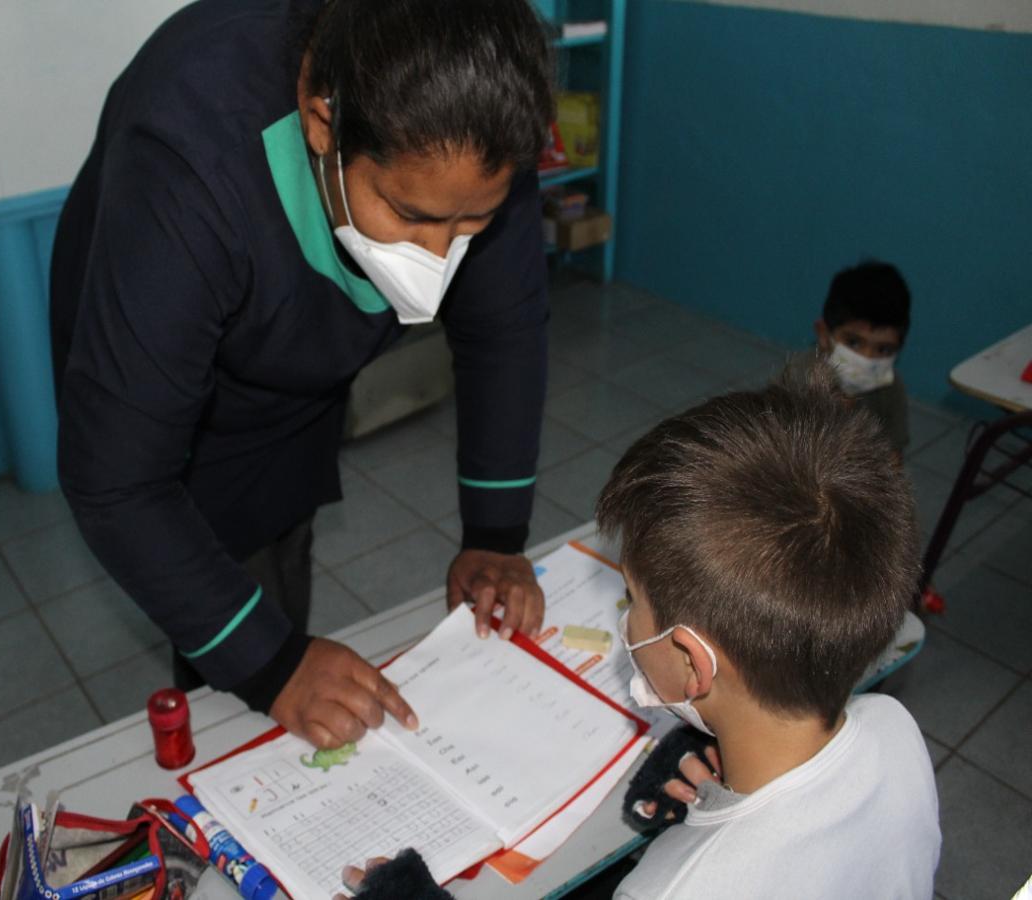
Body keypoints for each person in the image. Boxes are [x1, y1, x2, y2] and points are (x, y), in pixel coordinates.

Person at [49, 0, 554, 750]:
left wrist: (495, 535)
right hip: (171, 363)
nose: (439, 258)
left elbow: (504, 331)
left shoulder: (481, 114)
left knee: (283, 528)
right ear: (322, 122)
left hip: (292, 348)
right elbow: (118, 480)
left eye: (471, 225)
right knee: (223, 593)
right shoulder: (187, 162)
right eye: (410, 214)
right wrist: (271, 664)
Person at [335, 366, 941, 899]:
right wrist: (727, 772)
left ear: (693, 662)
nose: (624, 615)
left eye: (632, 598)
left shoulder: (669, 891)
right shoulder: (895, 730)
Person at [803, 259, 913, 457]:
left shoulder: (890, 389)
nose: (866, 358)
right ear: (824, 334)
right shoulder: (798, 379)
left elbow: (893, 456)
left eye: (883, 349)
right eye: (854, 343)